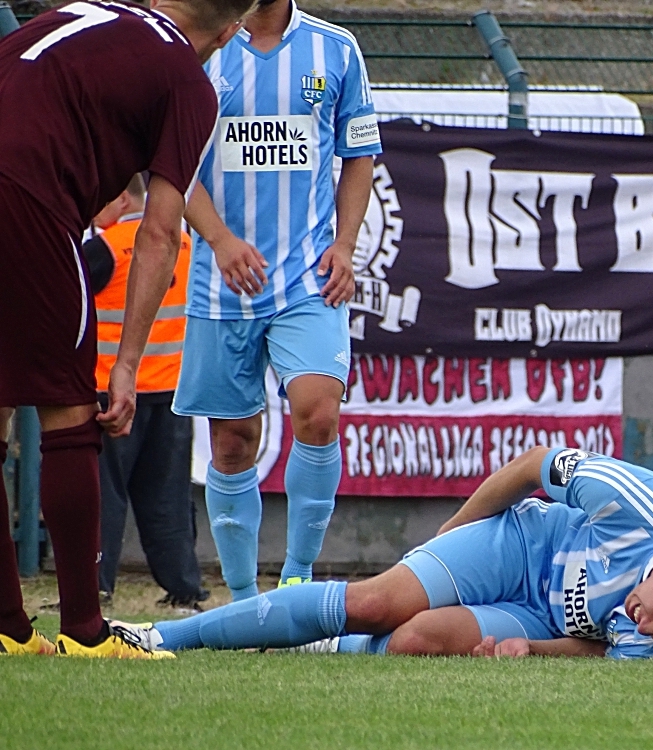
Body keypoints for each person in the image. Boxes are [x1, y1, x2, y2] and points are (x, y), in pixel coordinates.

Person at [0, 0, 254, 659]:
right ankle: (86, 632)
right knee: (69, 413)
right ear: (228, 34)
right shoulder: (186, 79)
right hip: (22, 195)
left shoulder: (83, 11)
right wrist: (125, 365)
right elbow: (160, 231)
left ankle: (5, 625)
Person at [111, 448, 653, 659]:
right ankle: (156, 636)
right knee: (375, 603)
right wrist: (448, 537)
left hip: (538, 619)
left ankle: (308, 638)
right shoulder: (641, 503)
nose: (647, 627)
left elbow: (603, 651)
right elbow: (528, 468)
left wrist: (535, 650)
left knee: (413, 642)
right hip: (517, 546)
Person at [173, 0, 380, 601]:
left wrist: (344, 245)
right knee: (234, 438)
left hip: (307, 279)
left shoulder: (336, 48)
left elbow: (359, 154)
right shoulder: (196, 46)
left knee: (319, 412)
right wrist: (220, 239)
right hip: (222, 280)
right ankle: (243, 599)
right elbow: (174, 162)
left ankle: (297, 577)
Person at [83, 175, 208, 610]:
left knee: (102, 494)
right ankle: (185, 587)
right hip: (173, 393)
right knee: (169, 497)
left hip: (112, 394)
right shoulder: (187, 247)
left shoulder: (104, 249)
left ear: (120, 197)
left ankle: (93, 586)